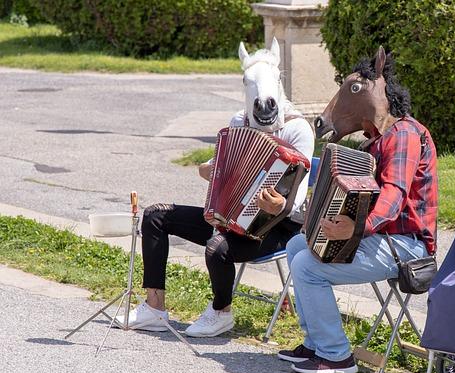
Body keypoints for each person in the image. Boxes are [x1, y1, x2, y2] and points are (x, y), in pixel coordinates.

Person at [117, 40, 314, 337]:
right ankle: (154, 309)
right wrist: (211, 171)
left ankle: (221, 312)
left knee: (216, 247)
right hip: (230, 220)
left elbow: (296, 202)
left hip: (276, 228)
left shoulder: (297, 129)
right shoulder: (239, 121)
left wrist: (277, 205)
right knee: (155, 216)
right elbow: (211, 166)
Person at [278, 48, 438, 373]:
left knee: (308, 266)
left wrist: (354, 228)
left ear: (377, 89)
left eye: (354, 90)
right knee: (297, 246)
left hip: (406, 246)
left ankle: (336, 355)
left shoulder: (404, 134)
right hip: (382, 239)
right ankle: (316, 343)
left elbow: (393, 197)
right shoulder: (376, 140)